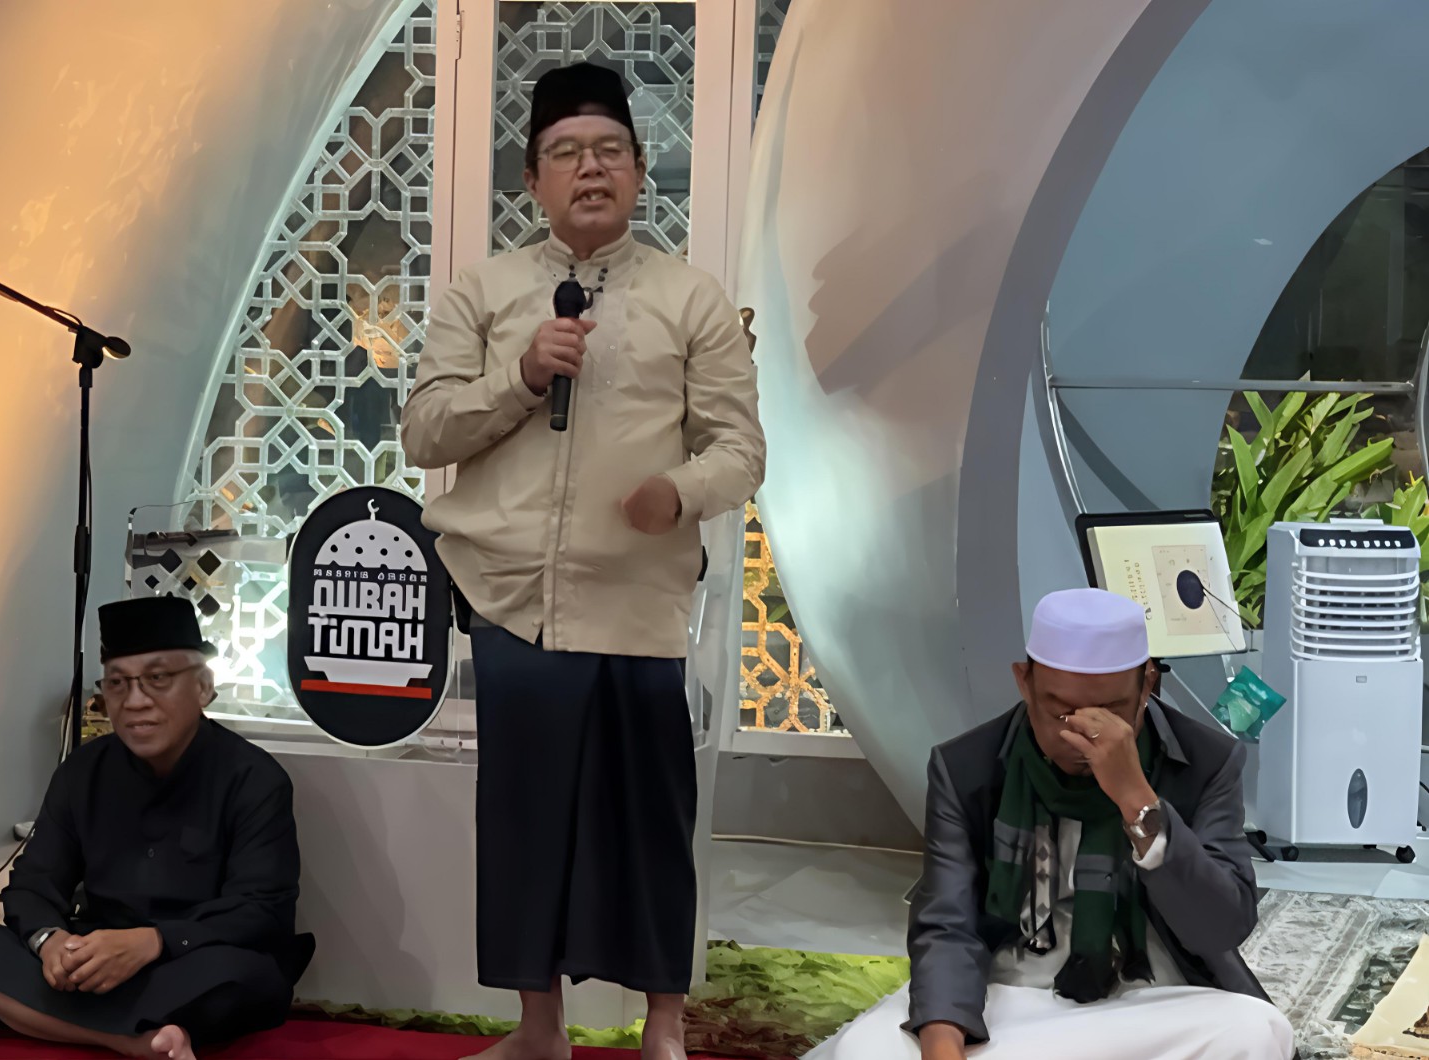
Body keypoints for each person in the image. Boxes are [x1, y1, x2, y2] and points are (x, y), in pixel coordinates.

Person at [400, 61, 765, 1060]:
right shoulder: (482, 292)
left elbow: (740, 449)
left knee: (650, 823)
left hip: (637, 600)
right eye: (566, 153)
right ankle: (539, 1029)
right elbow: (425, 431)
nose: (590, 169)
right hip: (512, 599)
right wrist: (521, 376)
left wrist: (677, 492)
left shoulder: (691, 297)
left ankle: (663, 1030)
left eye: (609, 151)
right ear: (533, 180)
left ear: (641, 171)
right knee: (527, 824)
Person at [809, 588, 1295, 1060]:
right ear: (1024, 682)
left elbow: (1220, 927)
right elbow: (948, 926)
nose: (1081, 733)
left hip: (1152, 999)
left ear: (1148, 685)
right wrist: (943, 1046)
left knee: (1254, 1032)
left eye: (1109, 713)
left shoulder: (1206, 762)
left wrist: (1137, 800)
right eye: (1060, 711)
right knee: (863, 1049)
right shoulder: (966, 768)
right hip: (1008, 998)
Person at [0, 596, 314, 1060]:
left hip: (188, 961)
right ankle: (135, 1042)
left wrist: (153, 942)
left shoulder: (254, 779)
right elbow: (32, 885)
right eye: (117, 683)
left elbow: (261, 910)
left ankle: (25, 1013)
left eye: (158, 679)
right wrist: (52, 942)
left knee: (242, 977)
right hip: (95, 962)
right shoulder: (81, 773)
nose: (135, 702)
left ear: (203, 687)